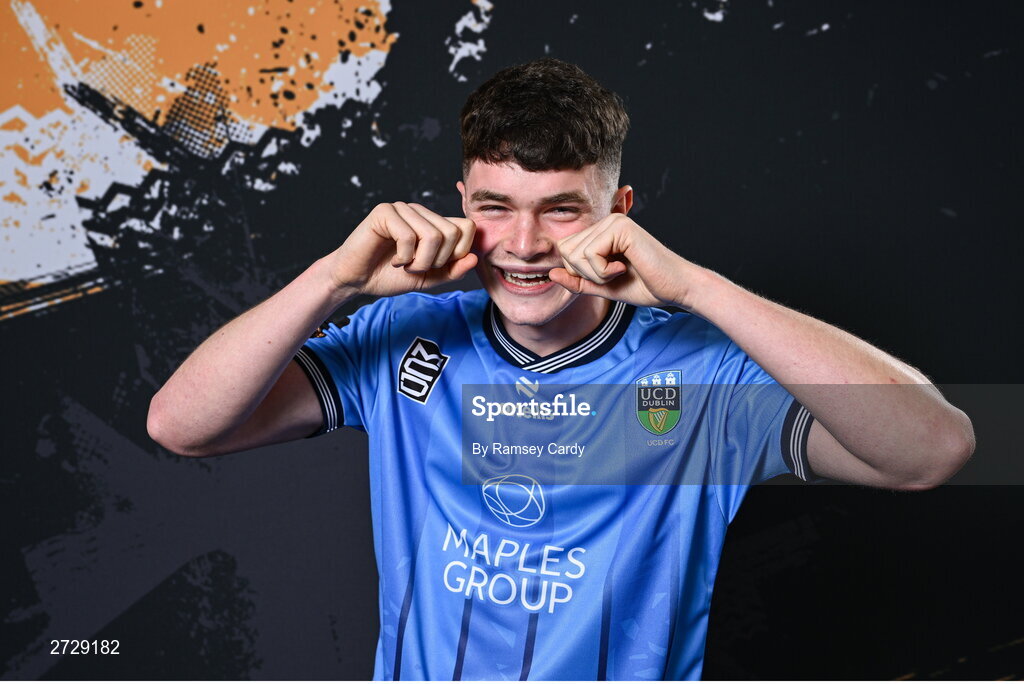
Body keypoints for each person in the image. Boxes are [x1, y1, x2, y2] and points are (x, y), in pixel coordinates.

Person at [147, 58, 974, 680]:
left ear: (620, 212)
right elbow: (180, 427)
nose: (525, 245)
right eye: (495, 207)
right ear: (461, 202)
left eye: (562, 209)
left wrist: (697, 289)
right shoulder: (405, 333)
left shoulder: (707, 374)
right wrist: (334, 279)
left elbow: (932, 451)